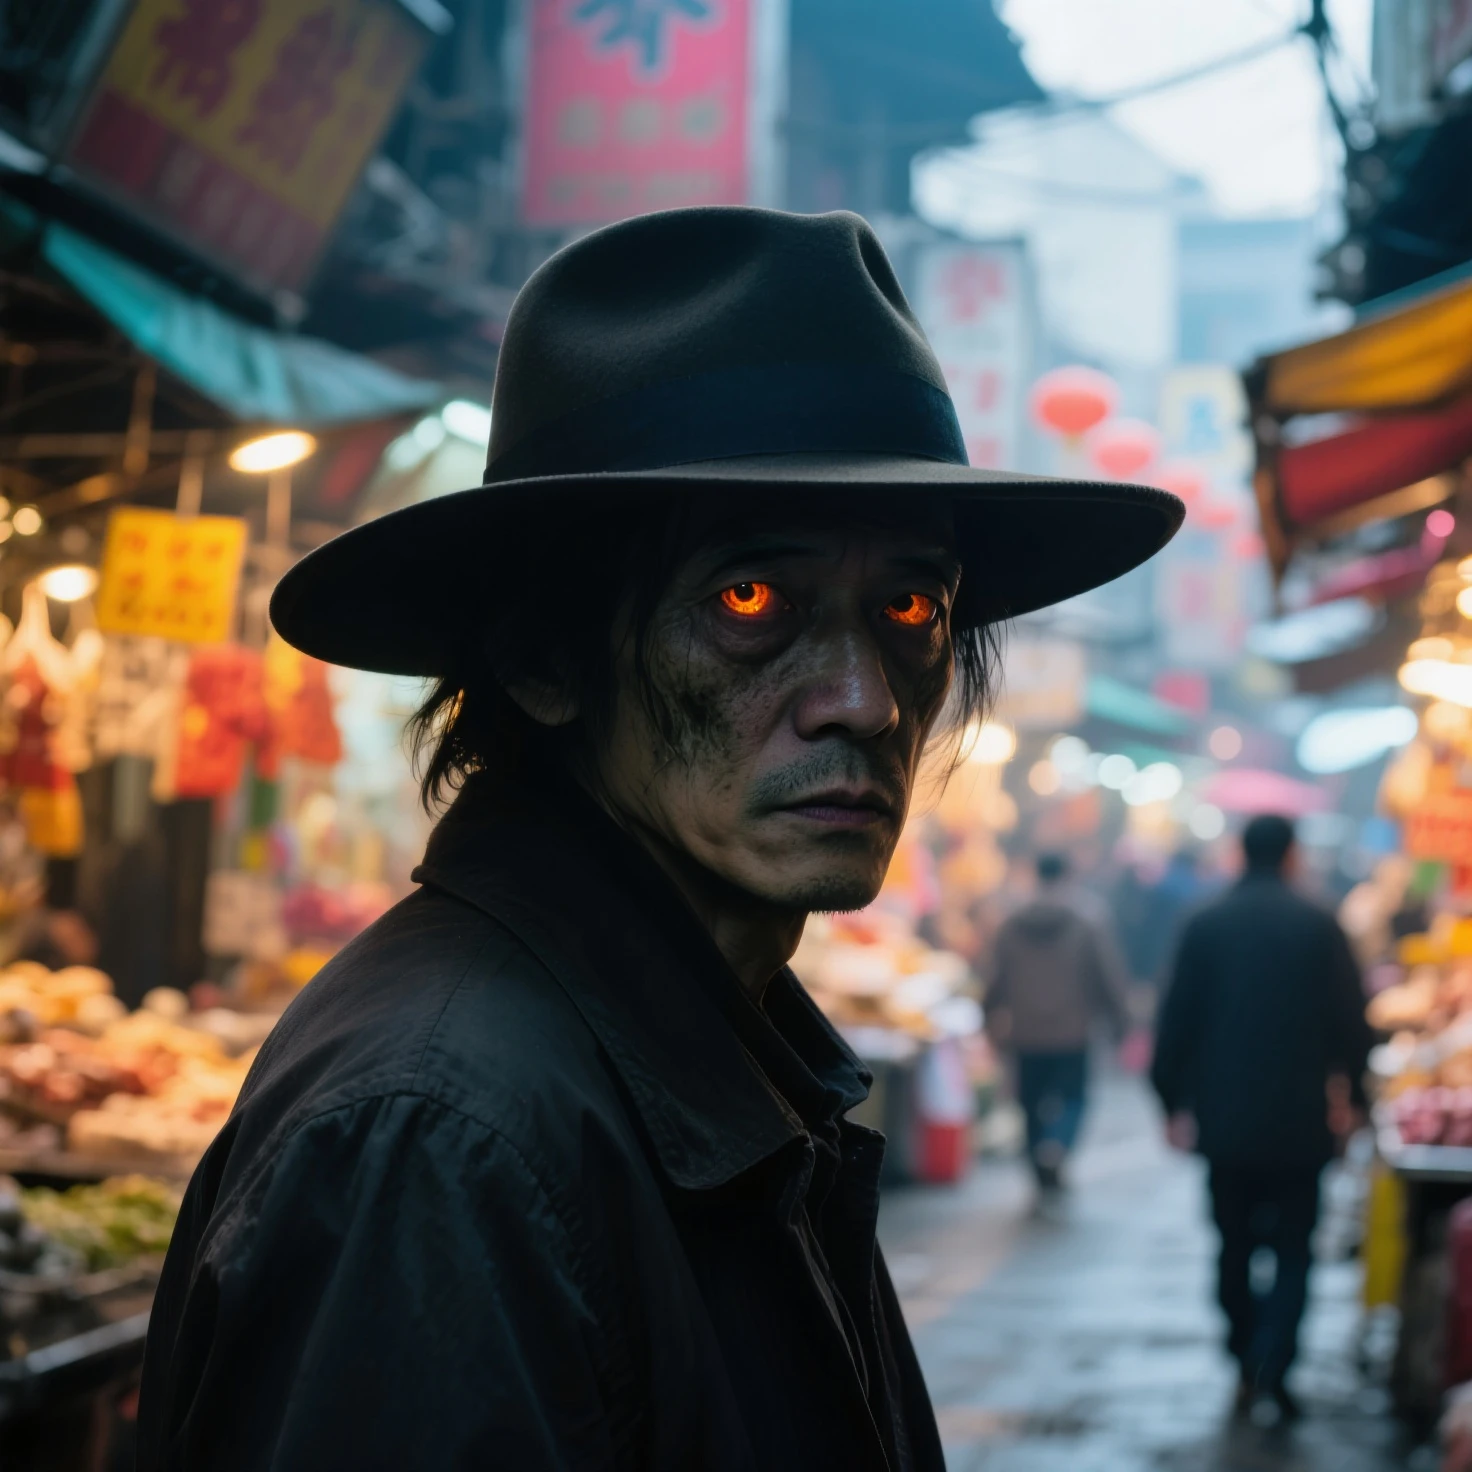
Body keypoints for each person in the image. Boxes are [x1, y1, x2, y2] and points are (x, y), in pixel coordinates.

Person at [136, 207, 1181, 1469]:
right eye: (750, 597)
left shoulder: (709, 1057)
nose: (863, 699)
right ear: (541, 655)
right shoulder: (441, 1141)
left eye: (909, 606)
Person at [1151, 814, 1373, 1421]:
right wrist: (1358, 1099)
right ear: (1293, 855)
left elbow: (1175, 1023)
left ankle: (1244, 1353)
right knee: (1296, 1248)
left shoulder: (1205, 924)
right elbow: (1351, 1023)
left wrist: (1170, 1102)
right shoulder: (1319, 924)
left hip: (1226, 1121)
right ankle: (1276, 1362)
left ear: (1239, 852)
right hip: (1301, 1121)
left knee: (1233, 1243)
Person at [986, 851, 1130, 1198]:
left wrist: (988, 1017)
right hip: (1073, 1030)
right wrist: (1119, 1019)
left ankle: (1040, 1166)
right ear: (1068, 875)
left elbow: (994, 978)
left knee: (1030, 1102)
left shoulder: (1012, 921)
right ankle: (1057, 1145)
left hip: (1025, 1031)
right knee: (1073, 1098)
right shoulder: (1089, 919)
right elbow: (1107, 974)